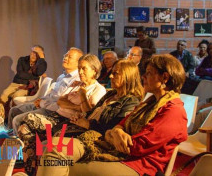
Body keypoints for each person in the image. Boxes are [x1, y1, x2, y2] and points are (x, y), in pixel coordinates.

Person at [37, 54, 188, 176]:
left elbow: (135, 147)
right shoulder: (148, 104)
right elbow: (119, 125)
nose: (144, 77)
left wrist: (111, 132)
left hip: (136, 164)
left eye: (149, 73)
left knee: (55, 162)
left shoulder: (173, 111)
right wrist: (116, 132)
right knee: (54, 145)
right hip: (106, 143)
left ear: (165, 78)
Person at [17, 53, 106, 175]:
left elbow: (89, 111)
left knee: (29, 118)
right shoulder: (76, 84)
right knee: (24, 128)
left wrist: (82, 97)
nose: (80, 72)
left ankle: (35, 163)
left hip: (68, 121)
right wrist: (77, 106)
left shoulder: (98, 89)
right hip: (57, 115)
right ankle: (32, 166)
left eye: (84, 68)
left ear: (94, 70)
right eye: (79, 68)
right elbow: (60, 101)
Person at [7, 47, 83, 134]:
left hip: (53, 112)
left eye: (70, 57)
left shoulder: (76, 80)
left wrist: (43, 103)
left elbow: (61, 103)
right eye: (65, 55)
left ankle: (18, 145)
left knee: (17, 120)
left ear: (78, 63)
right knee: (14, 111)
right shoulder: (62, 76)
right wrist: (42, 99)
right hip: (45, 104)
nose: (65, 58)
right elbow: (52, 94)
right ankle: (11, 138)